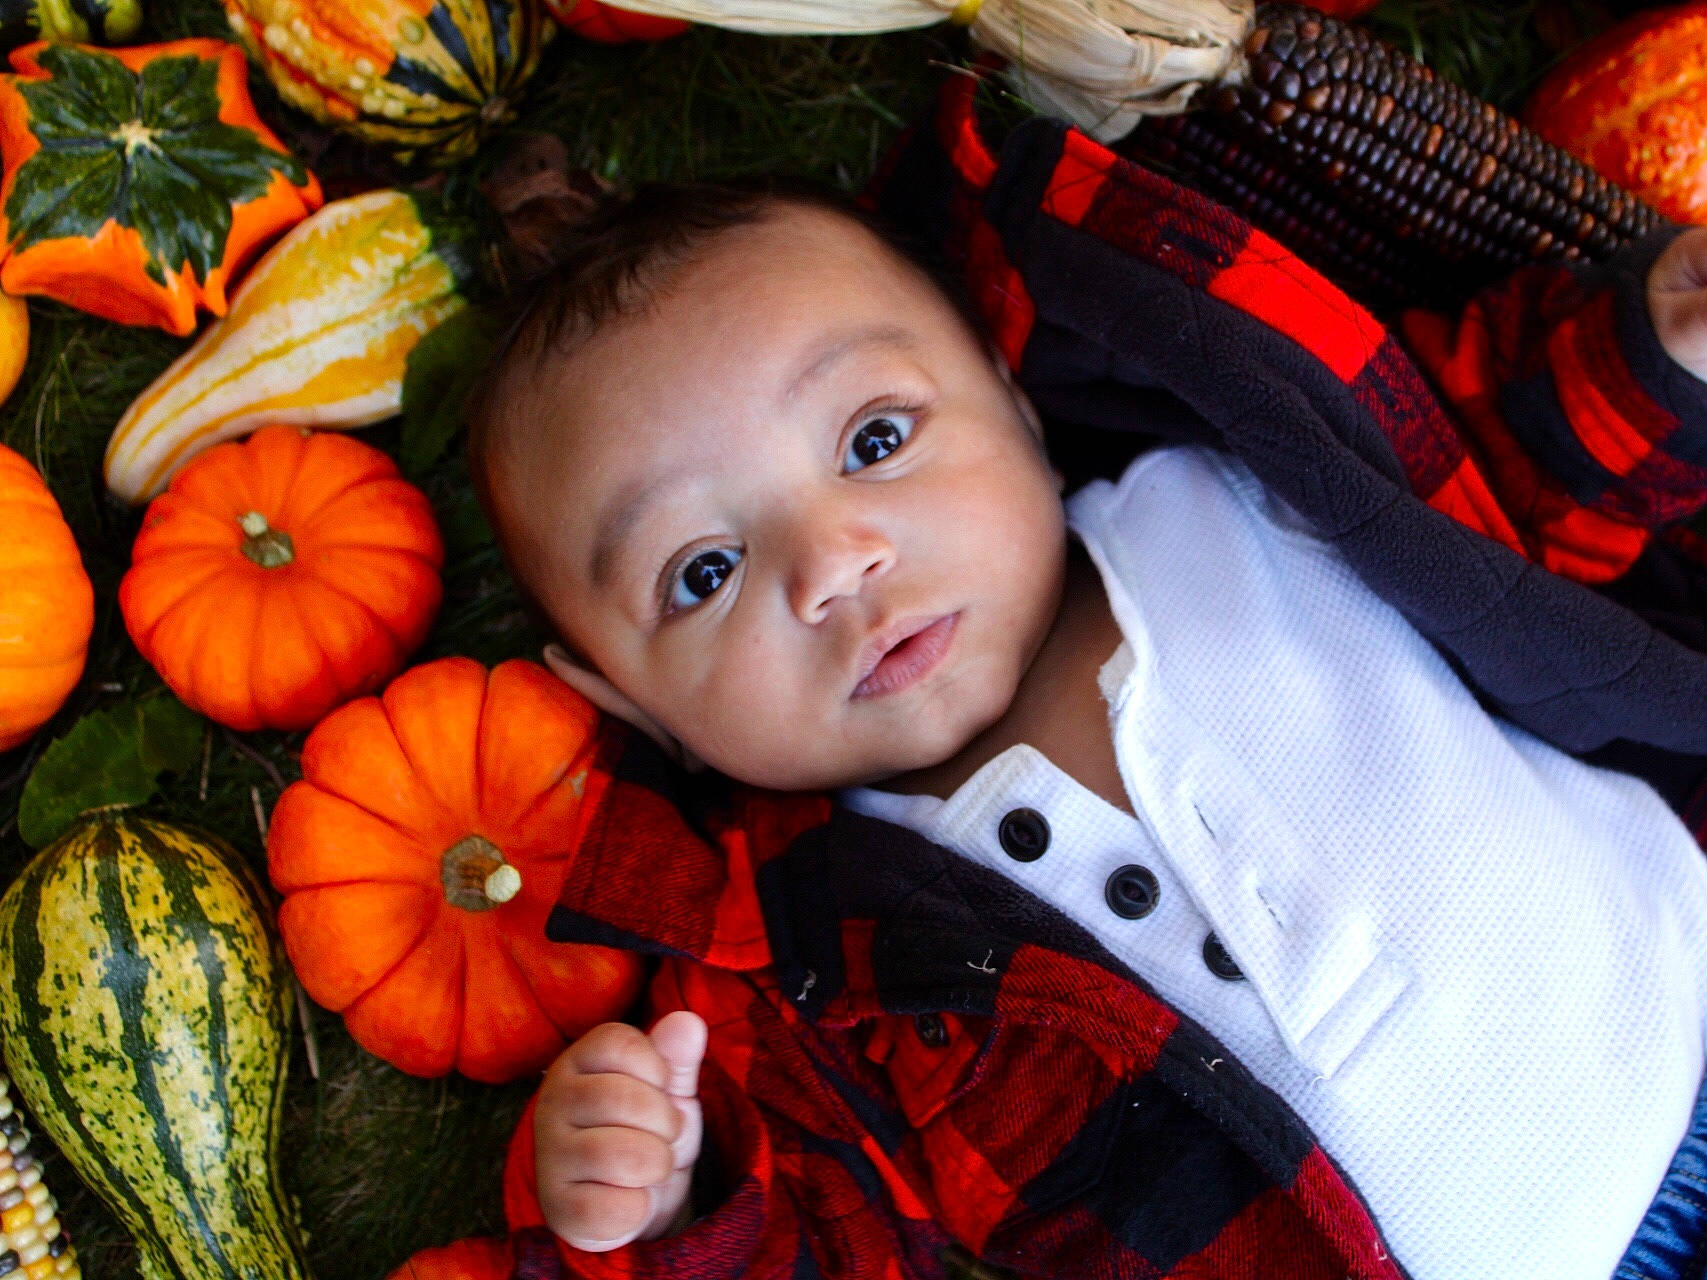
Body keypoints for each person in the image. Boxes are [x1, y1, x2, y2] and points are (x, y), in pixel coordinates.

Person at [467, 84, 1707, 1280]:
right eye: (705, 570)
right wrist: (679, 1204)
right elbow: (842, 1243)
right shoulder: (805, 976)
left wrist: (1647, 369)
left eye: (875, 441)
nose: (834, 565)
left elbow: (1498, 476)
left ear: (1010, 395)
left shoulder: (1242, 488)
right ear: (629, 702)